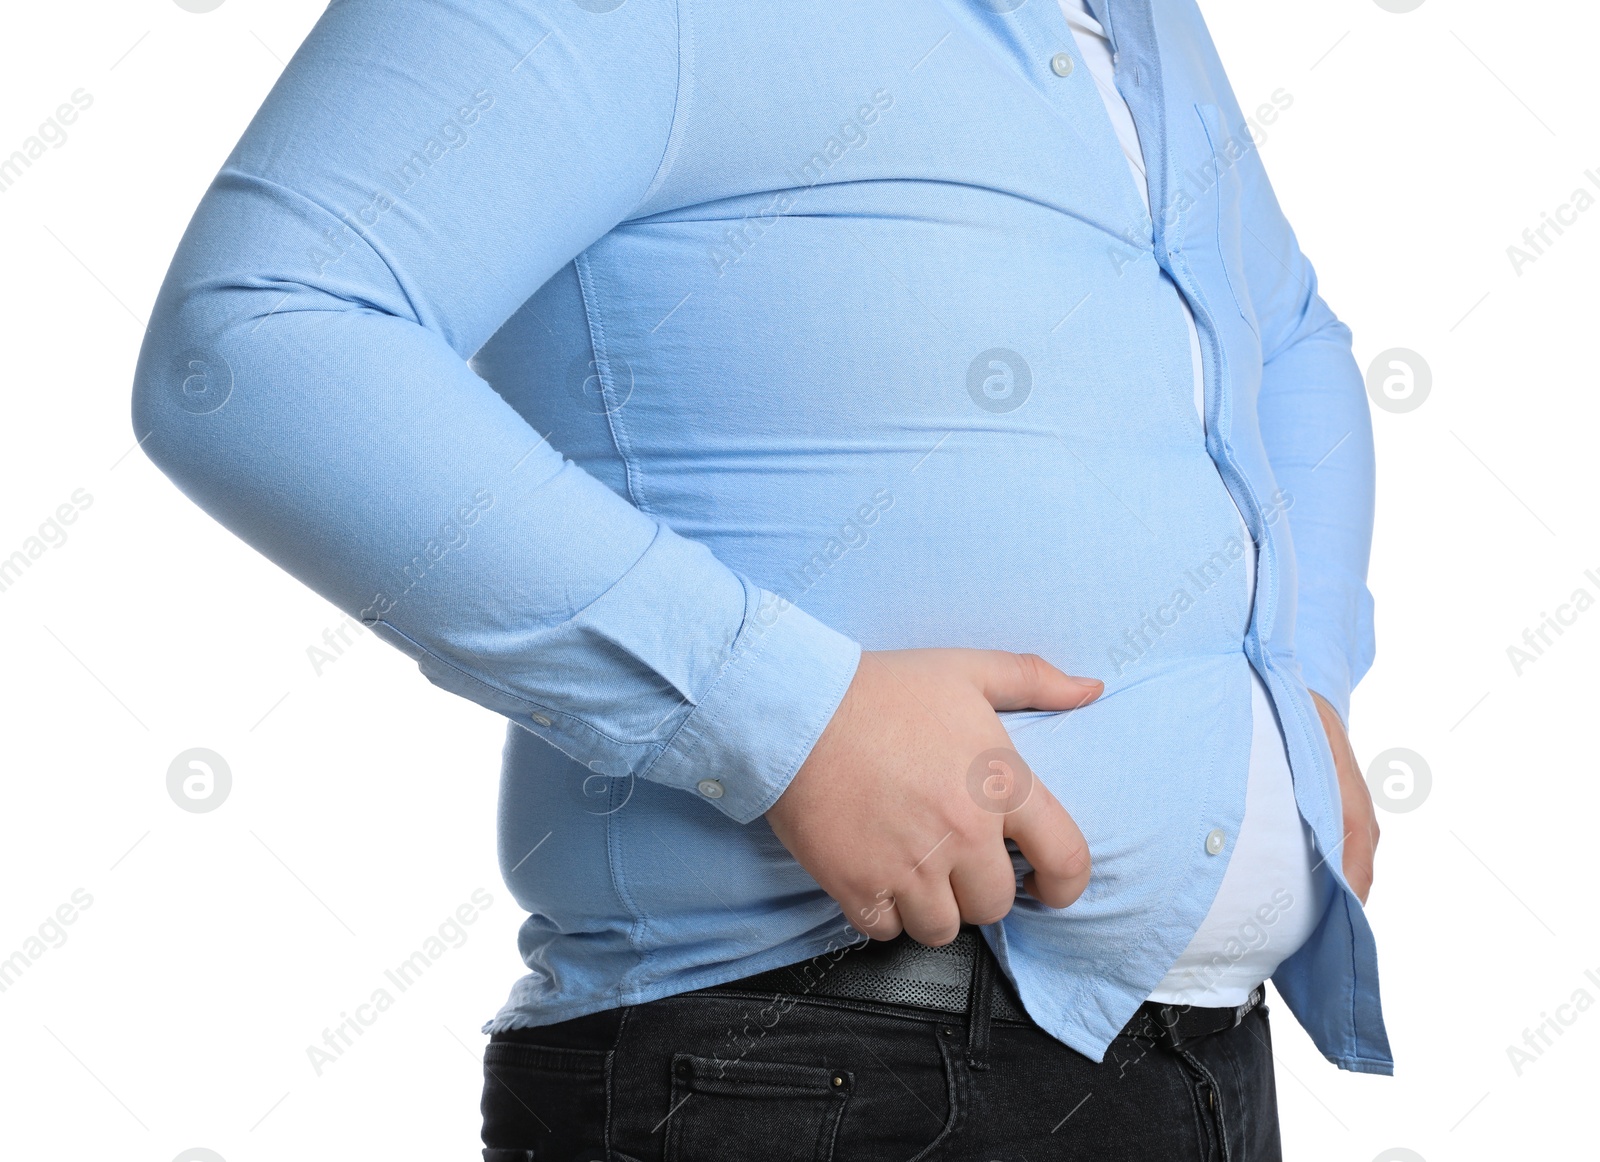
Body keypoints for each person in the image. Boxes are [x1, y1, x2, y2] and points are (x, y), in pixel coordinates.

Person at [131, 0, 1390, 1156]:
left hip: (1200, 1066)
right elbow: (254, 337)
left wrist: (1307, 684)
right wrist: (785, 717)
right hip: (810, 1066)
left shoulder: (1146, 21)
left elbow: (1283, 337)